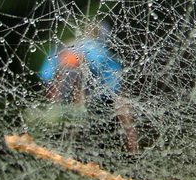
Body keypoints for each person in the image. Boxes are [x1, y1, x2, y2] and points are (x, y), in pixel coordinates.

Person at [38, 21, 138, 153]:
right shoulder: (102, 53)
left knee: (73, 68)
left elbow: (47, 76)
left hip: (74, 89)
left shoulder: (67, 47)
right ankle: (133, 147)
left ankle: (60, 116)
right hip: (80, 89)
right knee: (122, 104)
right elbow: (117, 88)